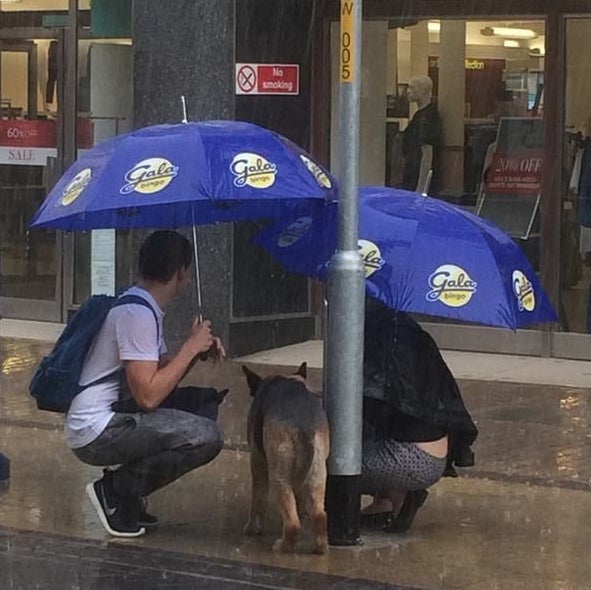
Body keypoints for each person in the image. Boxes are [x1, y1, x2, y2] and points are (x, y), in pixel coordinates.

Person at [65, 230, 227, 538]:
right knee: (205, 435)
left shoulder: (144, 306)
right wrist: (189, 348)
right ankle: (115, 491)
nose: (189, 279)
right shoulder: (136, 313)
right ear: (180, 272)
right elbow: (149, 397)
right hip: (97, 430)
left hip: (109, 420)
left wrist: (194, 353)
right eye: (188, 272)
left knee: (201, 410)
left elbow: (159, 372)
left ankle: (127, 498)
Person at [360, 297, 478, 533]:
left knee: (329, 458)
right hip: (435, 454)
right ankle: (386, 502)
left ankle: (395, 494)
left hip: (410, 458)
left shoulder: (380, 338)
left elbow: (367, 407)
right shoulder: (407, 332)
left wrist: (322, 395)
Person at [401, 75, 442, 195]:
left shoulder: (428, 118)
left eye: (413, 88)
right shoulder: (420, 116)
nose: (408, 91)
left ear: (424, 90)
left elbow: (427, 152)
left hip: (417, 181)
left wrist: (421, 188)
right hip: (412, 176)